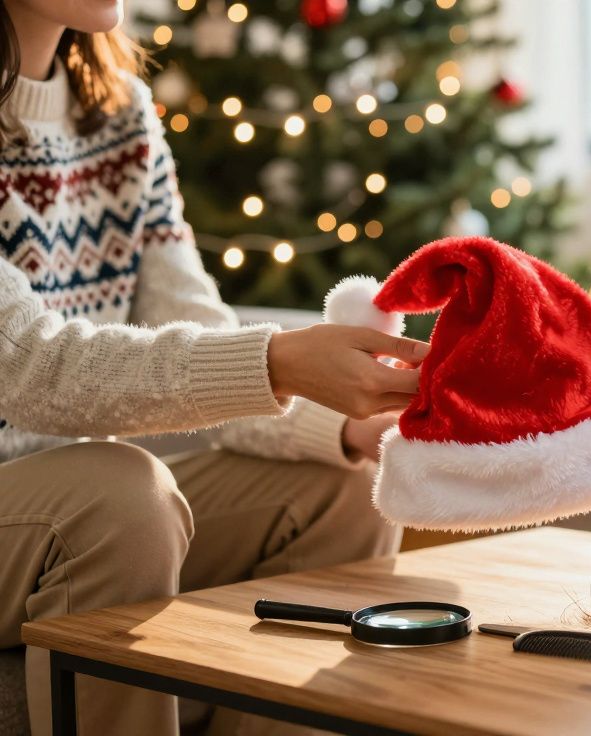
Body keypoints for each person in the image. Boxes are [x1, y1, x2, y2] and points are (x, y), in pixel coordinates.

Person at [0, 2, 429, 733]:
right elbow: (31, 368)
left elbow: (198, 331)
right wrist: (281, 361)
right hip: (49, 503)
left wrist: (342, 428)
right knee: (120, 494)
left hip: (66, 497)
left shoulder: (121, 116)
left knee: (342, 486)